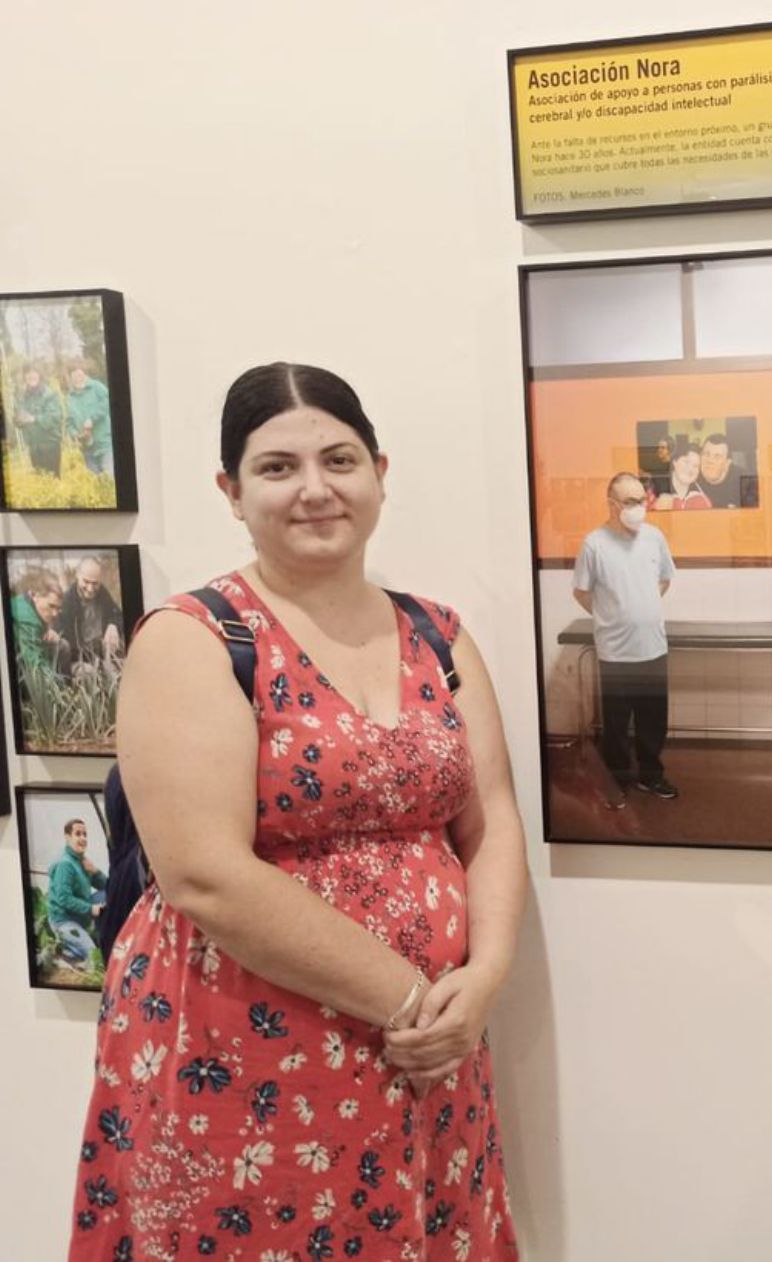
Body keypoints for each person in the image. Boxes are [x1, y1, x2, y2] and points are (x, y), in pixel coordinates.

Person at [67, 362, 527, 1257]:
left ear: (380, 474)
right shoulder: (196, 639)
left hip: (434, 1043)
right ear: (231, 492)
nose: (315, 490)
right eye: (278, 468)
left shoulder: (437, 632)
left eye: (340, 460)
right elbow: (205, 876)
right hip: (248, 1043)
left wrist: (486, 977)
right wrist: (407, 1000)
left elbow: (491, 817)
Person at [574, 472, 678, 809]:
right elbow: (581, 591)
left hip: (653, 646)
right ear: (612, 504)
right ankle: (616, 782)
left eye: (642, 500)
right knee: (616, 725)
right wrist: (612, 615)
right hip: (615, 651)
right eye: (631, 501)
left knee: (653, 719)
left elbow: (664, 579)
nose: (639, 507)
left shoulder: (654, 538)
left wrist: (642, 605)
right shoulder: (594, 544)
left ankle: (651, 776)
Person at [46, 818, 106, 969]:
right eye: (77, 834)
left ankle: (82, 941)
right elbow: (64, 899)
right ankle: (66, 952)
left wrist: (95, 870)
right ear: (67, 837)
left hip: (80, 917)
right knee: (94, 955)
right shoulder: (65, 864)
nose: (83, 838)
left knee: (107, 894)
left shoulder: (82, 861)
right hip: (64, 921)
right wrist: (91, 909)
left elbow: (108, 886)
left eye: (85, 834)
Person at [57, 556, 125, 672]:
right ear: (77, 575)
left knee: (124, 665)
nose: (90, 588)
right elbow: (67, 645)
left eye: (95, 583)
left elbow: (118, 614)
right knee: (88, 673)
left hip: (102, 651)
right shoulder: (67, 602)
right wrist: (98, 665)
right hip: (79, 659)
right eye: (86, 581)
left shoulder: (102, 592)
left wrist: (113, 625)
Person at [9, 575, 67, 676]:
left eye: (58, 608)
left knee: (62, 645)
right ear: (34, 595)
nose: (55, 613)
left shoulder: (27, 602)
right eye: (51, 606)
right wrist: (62, 689)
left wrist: (46, 629)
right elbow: (37, 667)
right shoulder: (27, 620)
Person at [14, 365, 66, 476]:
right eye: (28, 373)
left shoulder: (49, 394)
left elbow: (55, 417)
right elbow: (18, 418)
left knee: (53, 481)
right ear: (24, 376)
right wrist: (18, 420)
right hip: (34, 447)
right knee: (40, 481)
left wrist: (33, 419)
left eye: (34, 372)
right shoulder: (22, 397)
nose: (31, 376)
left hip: (50, 445)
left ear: (39, 375)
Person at [66, 362, 115, 477]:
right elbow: (69, 423)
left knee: (110, 479)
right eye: (73, 376)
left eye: (79, 374)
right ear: (70, 378)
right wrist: (75, 435)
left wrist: (92, 419)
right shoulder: (70, 397)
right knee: (95, 482)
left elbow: (107, 402)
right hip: (87, 449)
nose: (77, 378)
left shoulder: (96, 387)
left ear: (84, 373)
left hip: (104, 443)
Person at [698, 432, 758, 508]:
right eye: (706, 454)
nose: (710, 461)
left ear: (727, 463)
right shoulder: (692, 479)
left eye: (717, 457)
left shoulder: (745, 483)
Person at [651, 436, 712, 511]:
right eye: (686, 462)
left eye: (696, 466)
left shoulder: (701, 497)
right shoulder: (654, 487)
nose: (690, 469)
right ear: (674, 462)